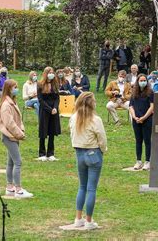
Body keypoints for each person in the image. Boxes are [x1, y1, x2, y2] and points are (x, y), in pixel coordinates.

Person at [69, 92, 107, 230]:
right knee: (91, 188)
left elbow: (72, 135)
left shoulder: (73, 118)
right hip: (93, 153)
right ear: (92, 103)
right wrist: (103, 150)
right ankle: (89, 221)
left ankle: (78, 218)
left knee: (82, 187)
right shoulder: (95, 120)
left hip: (79, 153)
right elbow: (102, 138)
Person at [0, 79, 33, 199]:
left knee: (11, 162)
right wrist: (19, 134)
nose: (16, 89)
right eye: (14, 87)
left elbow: (18, 120)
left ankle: (10, 187)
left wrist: (21, 130)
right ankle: (18, 189)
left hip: (14, 136)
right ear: (8, 89)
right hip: (9, 136)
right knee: (18, 162)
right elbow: (10, 123)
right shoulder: (6, 105)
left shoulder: (12, 102)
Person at [129, 74, 154, 171]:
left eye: (144, 80)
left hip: (147, 120)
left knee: (147, 141)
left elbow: (152, 106)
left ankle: (147, 161)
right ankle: (138, 161)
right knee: (138, 141)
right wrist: (134, 117)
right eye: (141, 80)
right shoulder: (134, 92)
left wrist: (144, 117)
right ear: (137, 81)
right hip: (136, 120)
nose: (143, 82)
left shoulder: (150, 93)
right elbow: (131, 106)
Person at [37, 67, 61, 162]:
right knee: (43, 131)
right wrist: (49, 109)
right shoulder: (40, 84)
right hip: (45, 110)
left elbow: (57, 98)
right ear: (45, 73)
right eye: (49, 72)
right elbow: (40, 99)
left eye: (52, 72)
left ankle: (50, 153)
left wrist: (55, 108)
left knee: (52, 131)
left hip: (54, 110)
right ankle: (42, 153)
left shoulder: (55, 84)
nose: (51, 74)